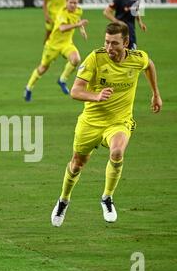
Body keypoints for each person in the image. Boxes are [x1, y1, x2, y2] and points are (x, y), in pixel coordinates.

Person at [51, 22, 162, 227]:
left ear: (126, 43)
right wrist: (96, 96)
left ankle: (107, 198)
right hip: (91, 122)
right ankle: (63, 200)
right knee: (77, 164)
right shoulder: (95, 58)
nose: (109, 48)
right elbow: (75, 91)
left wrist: (156, 93)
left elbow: (150, 65)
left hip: (119, 121)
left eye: (114, 43)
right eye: (107, 42)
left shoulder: (137, 58)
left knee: (117, 152)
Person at [25, 0, 88, 101]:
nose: (73, 5)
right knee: (43, 68)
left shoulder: (78, 11)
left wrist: (82, 30)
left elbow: (78, 19)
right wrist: (78, 25)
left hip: (66, 44)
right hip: (53, 46)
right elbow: (62, 28)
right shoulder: (61, 13)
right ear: (66, 2)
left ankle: (62, 79)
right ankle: (29, 88)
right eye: (71, 3)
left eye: (75, 3)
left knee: (76, 59)